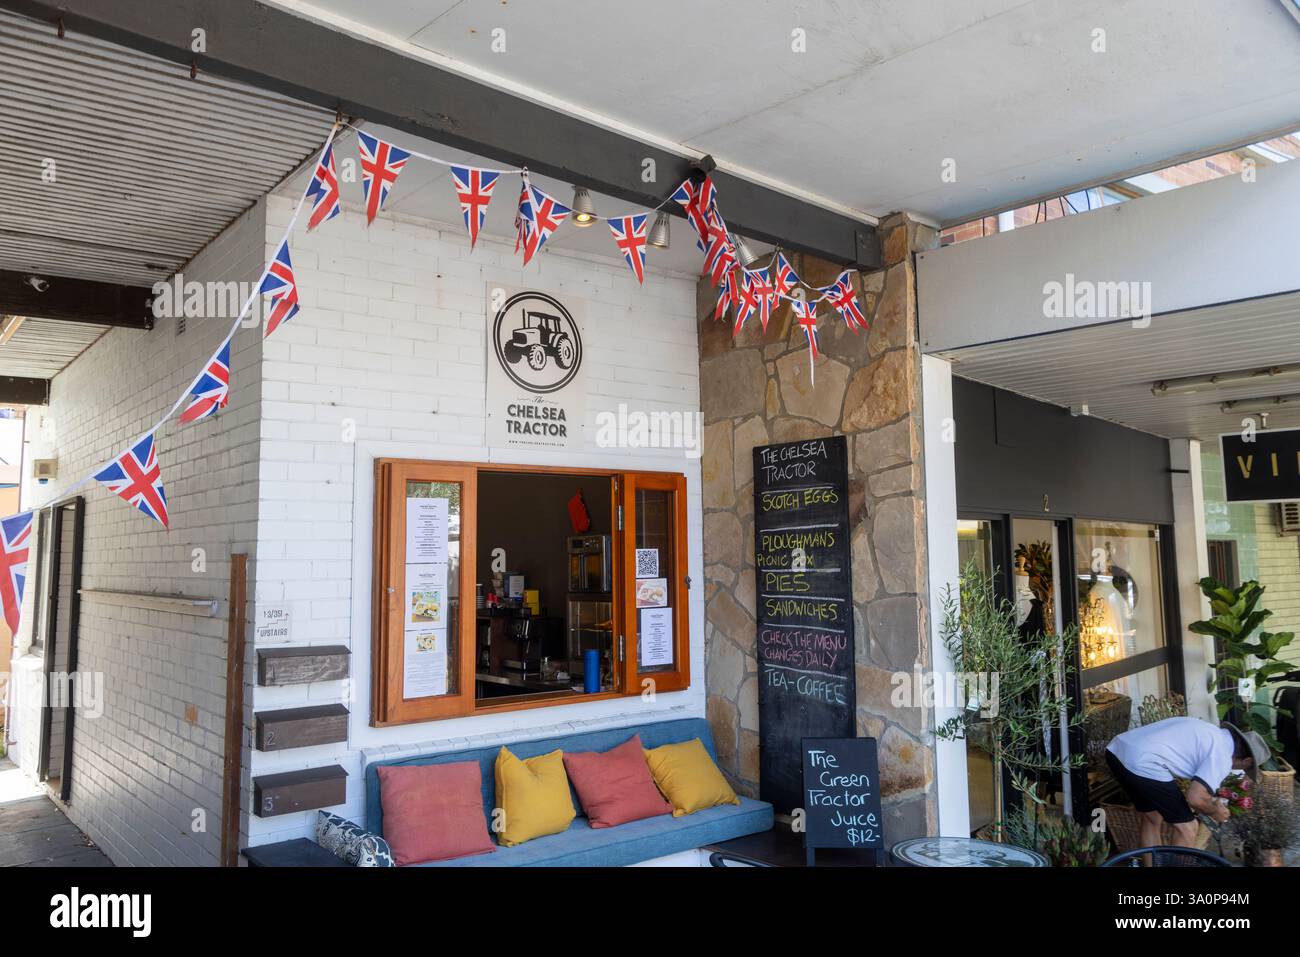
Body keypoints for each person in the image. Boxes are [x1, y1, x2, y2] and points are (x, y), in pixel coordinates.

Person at [1105, 717, 1270, 849]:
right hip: (1144, 762)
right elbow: (1195, 798)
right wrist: (1214, 811)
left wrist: (1210, 802)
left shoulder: (1213, 733)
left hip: (1117, 750)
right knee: (1188, 827)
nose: (1238, 769)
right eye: (1247, 767)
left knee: (1152, 819)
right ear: (1247, 760)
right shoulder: (1223, 755)